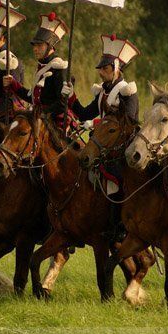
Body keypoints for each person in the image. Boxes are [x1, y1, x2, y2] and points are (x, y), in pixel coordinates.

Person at [62, 34, 141, 241]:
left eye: (105, 69)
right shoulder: (103, 91)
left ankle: (120, 225)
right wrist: (71, 97)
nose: (101, 73)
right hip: (103, 145)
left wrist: (97, 124)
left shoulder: (127, 92)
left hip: (123, 146)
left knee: (117, 180)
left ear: (115, 69)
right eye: (101, 69)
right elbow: (85, 113)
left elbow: (129, 122)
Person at [13, 11, 72, 129]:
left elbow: (62, 104)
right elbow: (34, 99)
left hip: (54, 122)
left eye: (39, 46)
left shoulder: (59, 68)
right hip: (39, 118)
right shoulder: (42, 66)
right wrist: (13, 84)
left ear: (50, 46)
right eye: (34, 45)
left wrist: (42, 113)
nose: (35, 49)